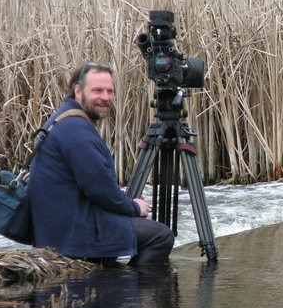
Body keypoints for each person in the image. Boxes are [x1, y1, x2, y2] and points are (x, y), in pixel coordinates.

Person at [28, 61, 174, 266]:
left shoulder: (64, 118)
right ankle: (135, 295)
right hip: (73, 234)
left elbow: (93, 185)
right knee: (161, 235)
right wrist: (133, 207)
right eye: (97, 90)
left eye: (110, 91)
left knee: (132, 227)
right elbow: (99, 188)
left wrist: (124, 202)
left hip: (58, 227)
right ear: (78, 91)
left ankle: (111, 277)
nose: (105, 98)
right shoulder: (76, 130)